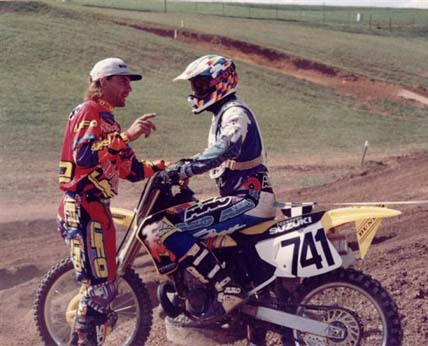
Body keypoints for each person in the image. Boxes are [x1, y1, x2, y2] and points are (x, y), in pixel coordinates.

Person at [156, 55, 277, 321]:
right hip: (244, 199)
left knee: (166, 228)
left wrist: (184, 168)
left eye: (199, 85)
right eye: (195, 86)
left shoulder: (235, 113)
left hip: (250, 199)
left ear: (221, 82)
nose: (195, 92)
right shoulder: (222, 115)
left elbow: (225, 148)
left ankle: (227, 289)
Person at [57, 57, 165, 345]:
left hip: (96, 209)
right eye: (123, 80)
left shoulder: (106, 119)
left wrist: (164, 167)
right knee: (100, 288)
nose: (129, 87)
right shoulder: (89, 111)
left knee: (102, 287)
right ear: (102, 82)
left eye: (130, 81)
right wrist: (128, 135)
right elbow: (85, 155)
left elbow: (129, 169)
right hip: (82, 206)